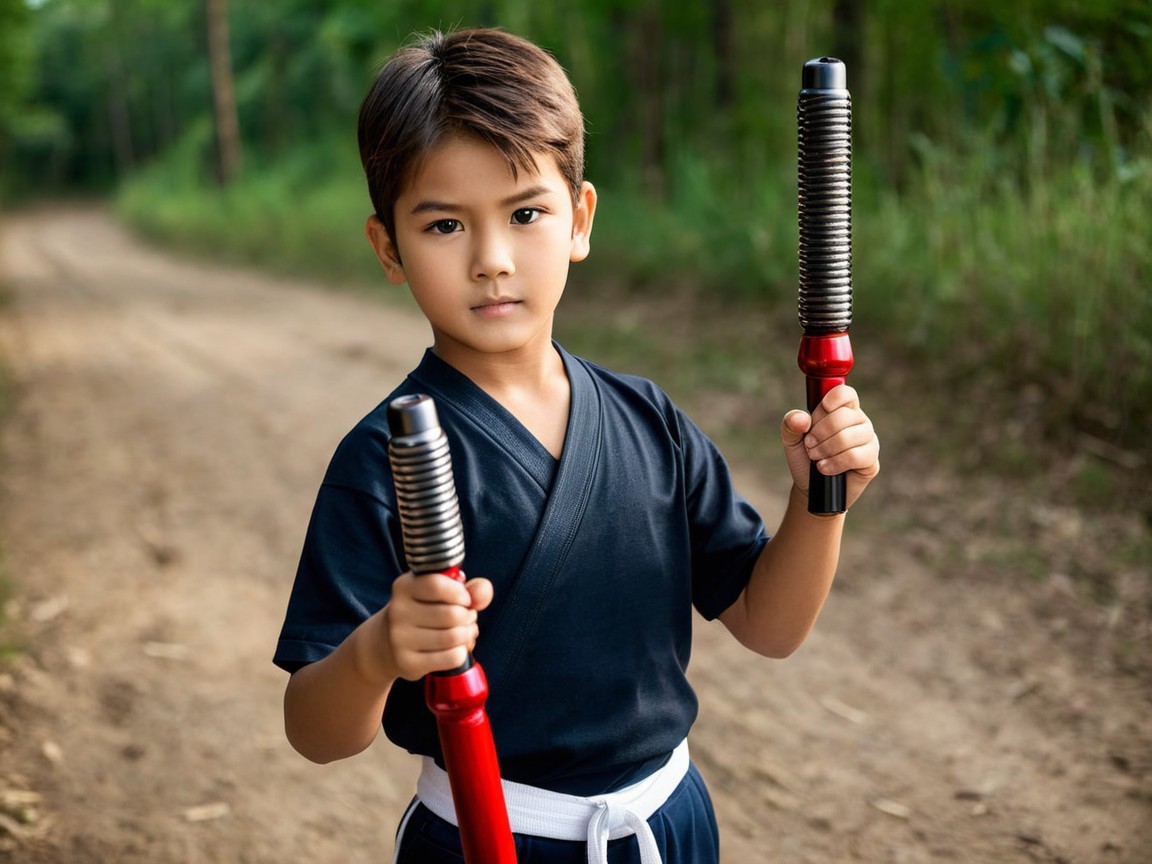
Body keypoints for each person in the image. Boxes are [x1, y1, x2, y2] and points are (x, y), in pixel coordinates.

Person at [274, 26, 880, 864]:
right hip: (486, 839)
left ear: (579, 218)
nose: (492, 260)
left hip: (670, 826)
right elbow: (316, 731)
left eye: (525, 214)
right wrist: (378, 648)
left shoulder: (649, 421)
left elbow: (768, 625)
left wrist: (823, 504)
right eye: (445, 226)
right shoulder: (382, 462)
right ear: (389, 249)